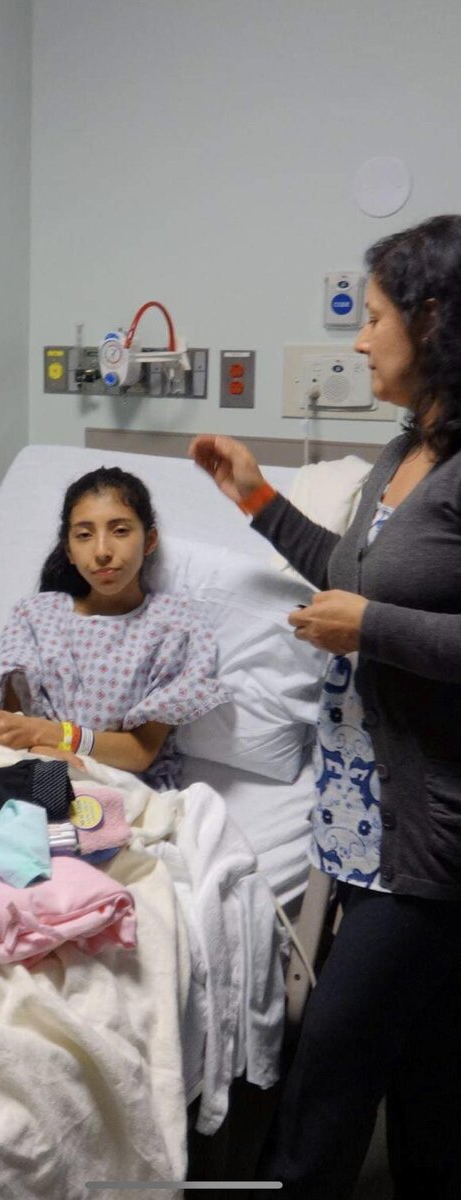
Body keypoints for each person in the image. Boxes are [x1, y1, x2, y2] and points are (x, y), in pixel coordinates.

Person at [190, 214, 461, 1199]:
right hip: (360, 821)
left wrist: (373, 627)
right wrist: (257, 501)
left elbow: (369, 613)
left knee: (325, 1082)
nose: (358, 336)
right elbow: (351, 582)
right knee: (427, 1084)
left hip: (430, 844)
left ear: (432, 322)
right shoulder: (403, 450)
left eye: (375, 316)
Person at [0, 465, 231, 789]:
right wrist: (24, 741)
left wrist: (51, 736)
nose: (102, 551)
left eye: (120, 531)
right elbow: (11, 725)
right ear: (69, 551)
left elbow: (140, 752)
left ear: (149, 540)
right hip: (32, 772)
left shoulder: (175, 626)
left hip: (121, 787)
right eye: (84, 535)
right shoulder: (34, 615)